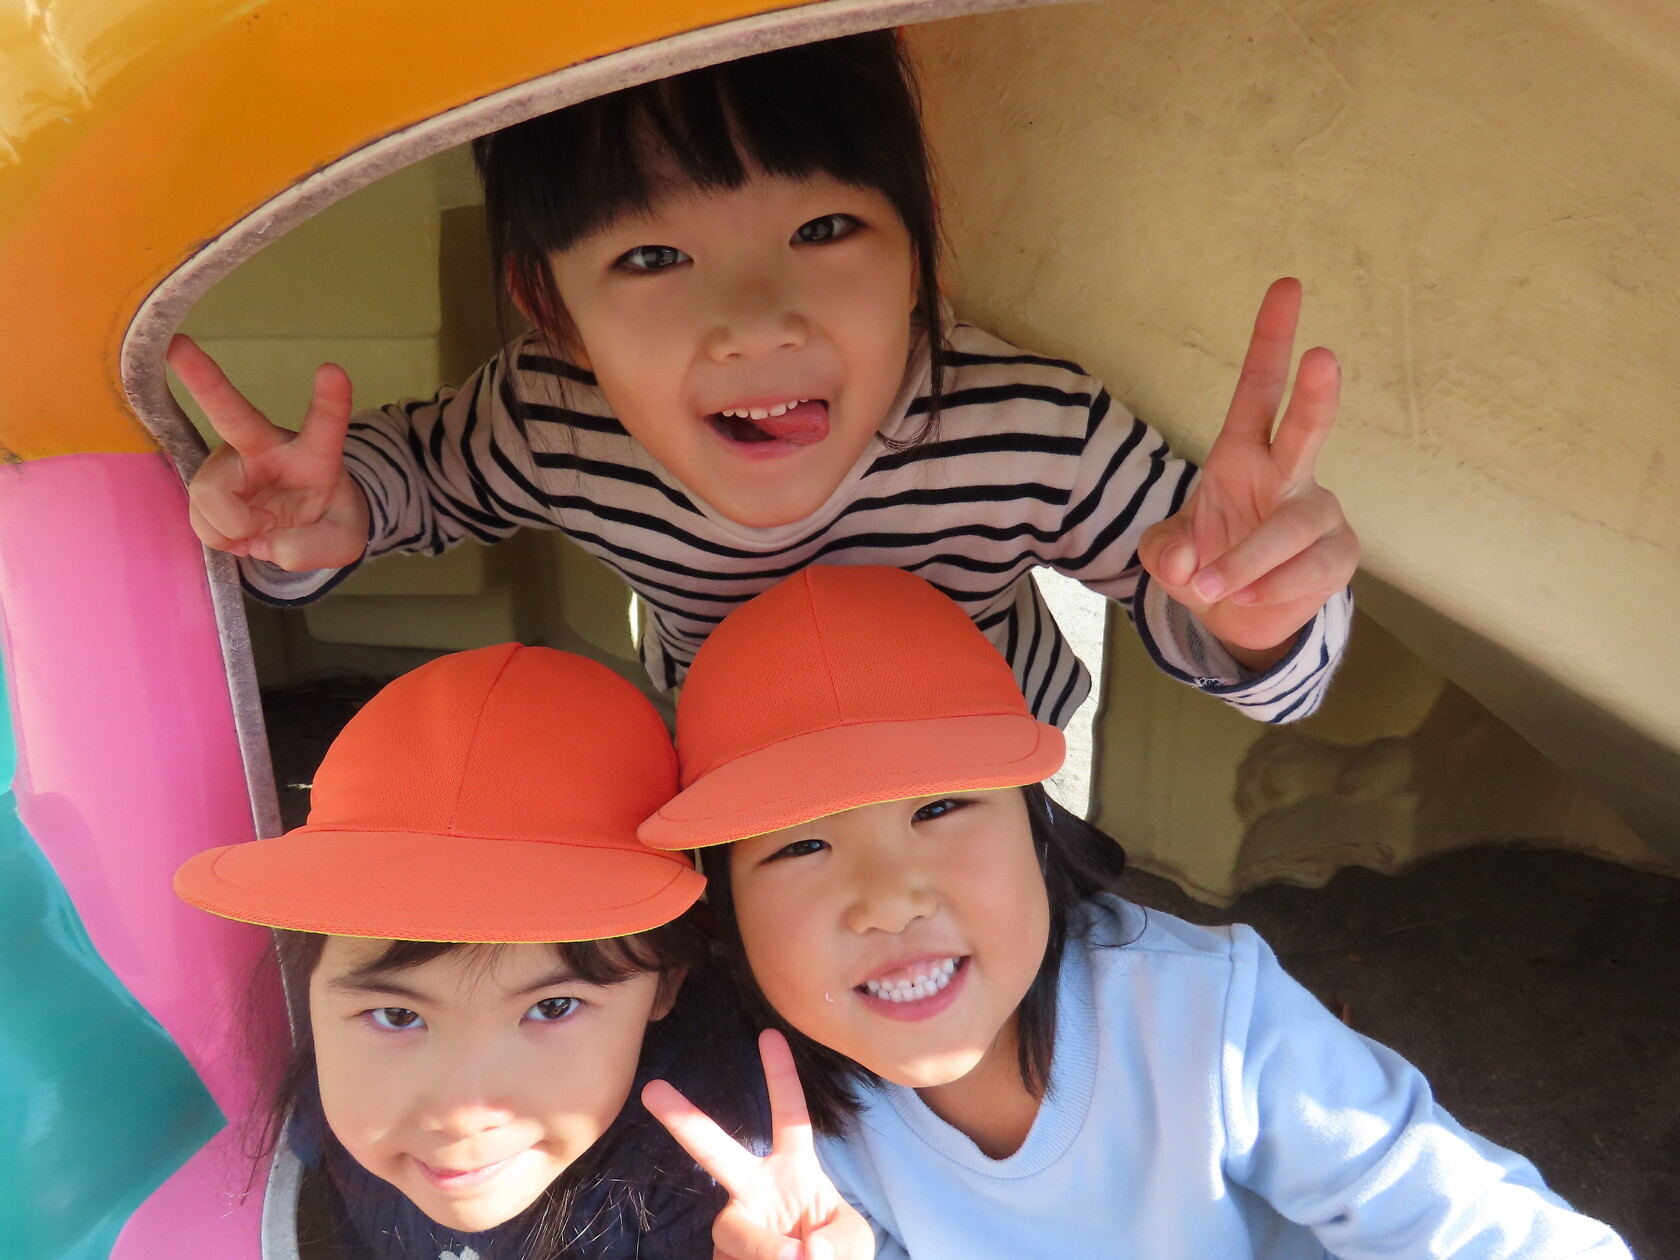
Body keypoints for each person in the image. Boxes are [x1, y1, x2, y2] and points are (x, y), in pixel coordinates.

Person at [168, 31, 1358, 732]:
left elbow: (1218, 611)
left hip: (992, 793)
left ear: (919, 250)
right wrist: (324, 517)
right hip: (730, 779)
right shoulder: (554, 419)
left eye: (824, 230)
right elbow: (419, 478)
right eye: (652, 258)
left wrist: (1257, 621)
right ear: (552, 310)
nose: (753, 324)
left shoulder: (1033, 425)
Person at [634, 566, 1634, 1260]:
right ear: (727, 914)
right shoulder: (783, 1129)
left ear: (1039, 825)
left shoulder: (1205, 1016)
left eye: (939, 809)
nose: (889, 899)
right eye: (800, 847)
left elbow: (1472, 1224)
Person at [174, 643, 763, 1260]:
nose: (461, 1114)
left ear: (666, 983)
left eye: (554, 1007)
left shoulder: (708, 1183)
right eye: (398, 1015)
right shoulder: (321, 1116)